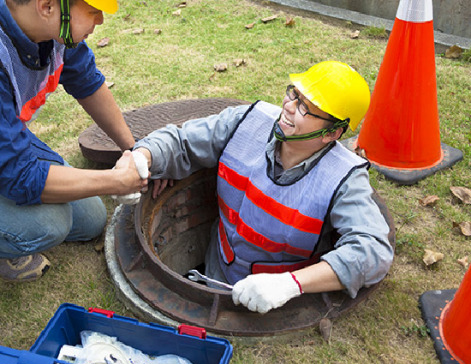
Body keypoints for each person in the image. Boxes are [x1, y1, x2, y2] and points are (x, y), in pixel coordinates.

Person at [131, 61, 394, 314]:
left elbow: (372, 252)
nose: (289, 106)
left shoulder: (344, 180)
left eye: (306, 107)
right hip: (217, 269)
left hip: (277, 301)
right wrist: (142, 157)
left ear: (332, 133)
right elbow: (181, 140)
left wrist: (291, 284)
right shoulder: (248, 122)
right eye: (294, 94)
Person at [0, 0, 148, 282]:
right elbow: (21, 176)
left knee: (90, 218)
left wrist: (132, 148)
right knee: (49, 226)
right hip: (8, 155)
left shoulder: (54, 31)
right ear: (46, 7)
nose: (101, 20)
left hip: (5, 139)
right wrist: (115, 181)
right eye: (93, 11)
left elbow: (86, 79)